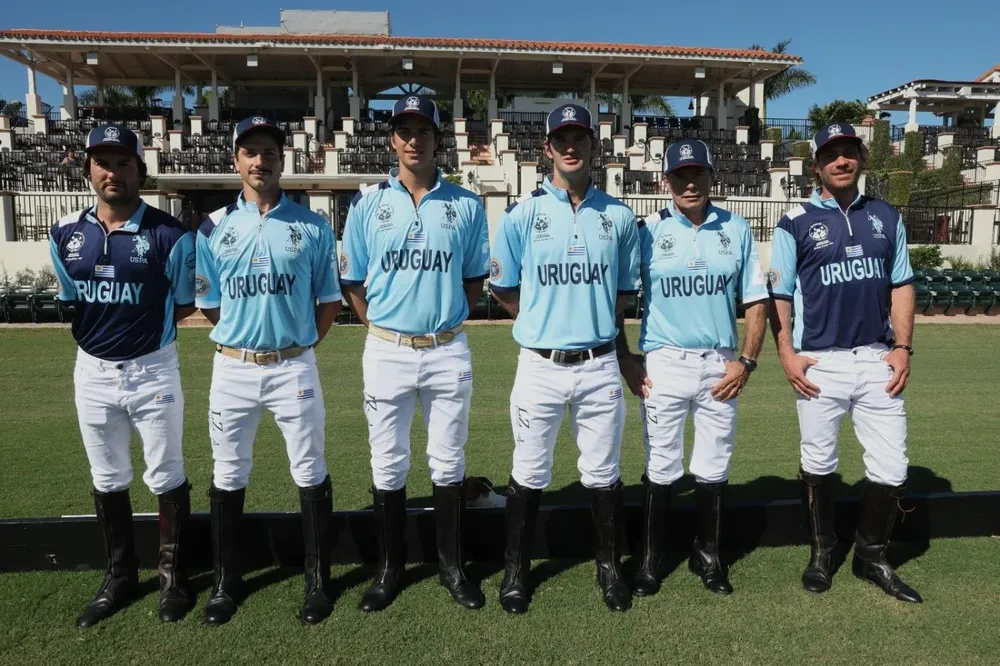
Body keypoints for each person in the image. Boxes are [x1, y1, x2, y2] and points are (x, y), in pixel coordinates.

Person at [340, 95, 490, 612]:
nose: (413, 139)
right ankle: (389, 568)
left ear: (437, 138)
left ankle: (452, 566)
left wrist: (443, 322)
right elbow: (353, 282)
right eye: (403, 129)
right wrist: (383, 329)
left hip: (448, 350)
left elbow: (474, 281)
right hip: (387, 350)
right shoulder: (366, 203)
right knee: (389, 461)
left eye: (422, 129)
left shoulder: (466, 204)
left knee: (449, 461)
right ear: (391, 139)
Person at [489, 103, 640, 613]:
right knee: (528, 471)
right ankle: (515, 572)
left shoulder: (619, 217)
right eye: (562, 139)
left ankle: (608, 567)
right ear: (547, 148)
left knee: (603, 472)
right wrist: (540, 320)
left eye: (580, 137)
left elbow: (622, 296)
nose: (571, 146)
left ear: (595, 146)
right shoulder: (522, 215)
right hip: (540, 364)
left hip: (599, 366)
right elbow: (505, 289)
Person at [195, 116, 343, 625]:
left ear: (284, 159)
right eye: (250, 152)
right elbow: (211, 304)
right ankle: (224, 580)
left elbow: (329, 302)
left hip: (292, 368)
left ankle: (317, 581)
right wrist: (245, 340)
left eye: (270, 152)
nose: (261, 161)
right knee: (228, 473)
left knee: (309, 470)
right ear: (235, 160)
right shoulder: (212, 226)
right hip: (232, 369)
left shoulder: (313, 225)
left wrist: (297, 347)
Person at [48, 124, 196, 627]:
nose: (113, 172)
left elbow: (180, 305)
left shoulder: (170, 234)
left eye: (123, 162)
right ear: (88, 169)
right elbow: (75, 303)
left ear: (140, 169)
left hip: (152, 368)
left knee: (166, 473)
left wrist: (141, 344)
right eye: (102, 163)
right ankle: (120, 574)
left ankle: (172, 576)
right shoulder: (64, 233)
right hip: (91, 370)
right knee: (107, 476)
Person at [768, 122, 921, 603]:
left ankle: (871, 554)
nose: (841, 160)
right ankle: (822, 551)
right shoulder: (793, 221)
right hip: (820, 362)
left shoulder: (887, 216)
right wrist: (787, 354)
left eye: (849, 151)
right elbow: (778, 292)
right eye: (831, 154)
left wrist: (902, 347)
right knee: (818, 462)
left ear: (861, 158)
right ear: (815, 166)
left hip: (877, 358)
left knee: (893, 466)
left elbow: (901, 285)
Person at [618, 140, 768, 597]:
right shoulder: (646, 230)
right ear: (665, 181)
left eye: (698, 173)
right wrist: (625, 356)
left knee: (714, 463)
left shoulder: (737, 228)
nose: (689, 183)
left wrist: (746, 361)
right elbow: (621, 296)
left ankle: (709, 557)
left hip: (720, 363)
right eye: (680, 175)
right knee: (661, 464)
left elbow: (757, 300)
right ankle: (649, 559)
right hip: (664, 361)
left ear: (710, 176)